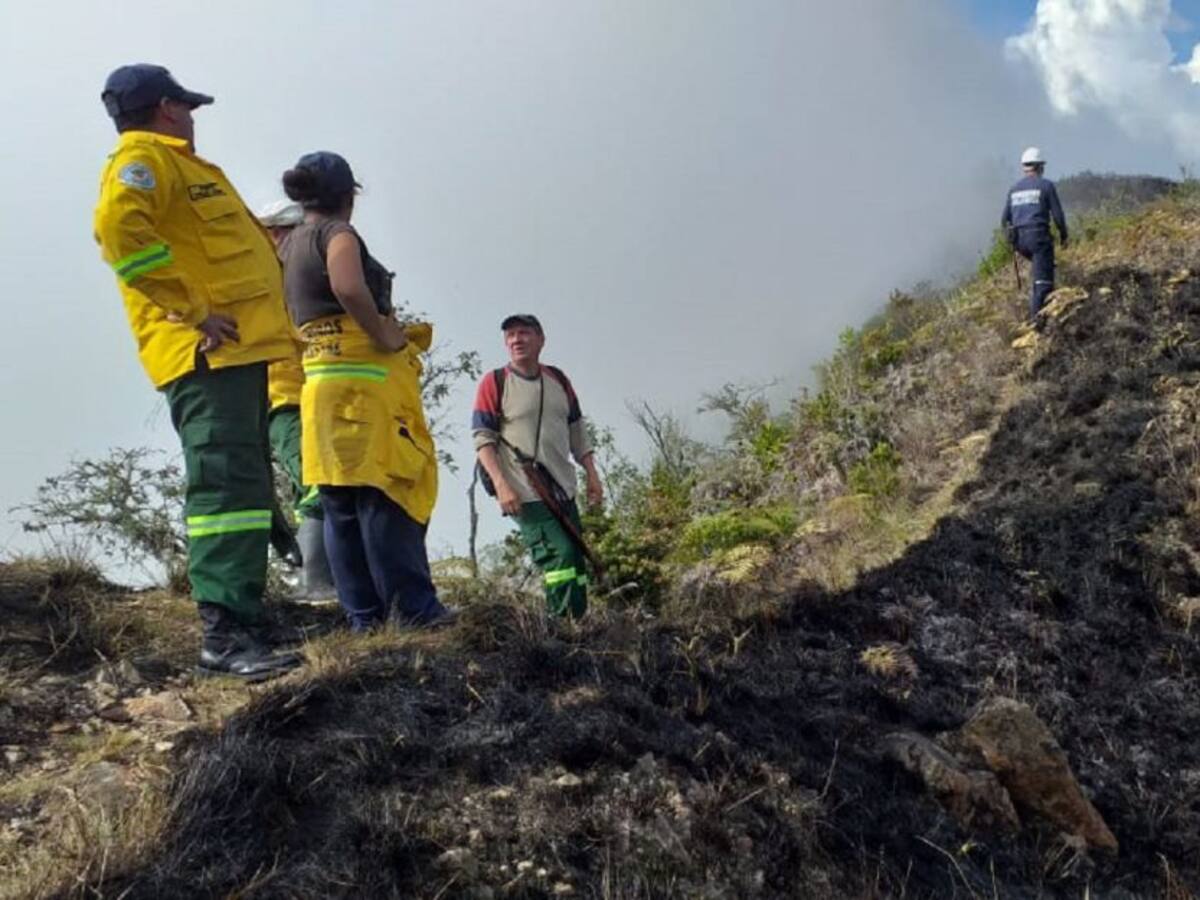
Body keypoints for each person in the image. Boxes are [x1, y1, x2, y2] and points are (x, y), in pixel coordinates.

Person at [93, 64, 301, 680]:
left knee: (242, 487)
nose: (192, 117)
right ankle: (224, 637)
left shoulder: (177, 166)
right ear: (165, 107)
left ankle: (244, 621)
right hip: (206, 354)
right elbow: (118, 232)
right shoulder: (144, 162)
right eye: (186, 106)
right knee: (223, 492)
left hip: (235, 355)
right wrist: (196, 310)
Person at [277, 152, 452, 632]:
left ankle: (363, 617)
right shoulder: (338, 234)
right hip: (364, 390)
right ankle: (414, 611)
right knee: (384, 494)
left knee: (339, 504)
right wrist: (382, 333)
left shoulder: (289, 244)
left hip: (319, 389)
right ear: (348, 194)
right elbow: (349, 286)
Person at [473, 315, 603, 618]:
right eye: (511, 335)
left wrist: (592, 476)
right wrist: (502, 485)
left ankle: (579, 627)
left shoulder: (558, 380)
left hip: (563, 488)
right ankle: (561, 630)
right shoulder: (495, 383)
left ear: (541, 339)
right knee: (561, 556)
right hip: (524, 491)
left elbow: (577, 431)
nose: (517, 340)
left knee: (576, 562)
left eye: (524, 333)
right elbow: (483, 440)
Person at [256, 200, 334, 599]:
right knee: (315, 481)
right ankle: (312, 581)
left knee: (327, 482)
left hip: (313, 395)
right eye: (283, 231)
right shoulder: (262, 281)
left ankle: (321, 577)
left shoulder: (300, 277)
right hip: (282, 397)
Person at [1002, 147, 1069, 323]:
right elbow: (1058, 216)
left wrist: (1011, 239)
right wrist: (1064, 236)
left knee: (1042, 270)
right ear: (1040, 167)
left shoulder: (1014, 189)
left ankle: (1039, 307)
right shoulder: (1046, 186)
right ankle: (1037, 322)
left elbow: (1004, 220)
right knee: (1043, 282)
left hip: (1019, 241)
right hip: (1038, 237)